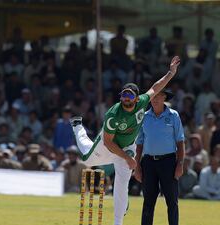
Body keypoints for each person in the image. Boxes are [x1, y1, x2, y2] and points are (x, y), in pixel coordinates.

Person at [70, 56, 180, 225]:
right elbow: (108, 142)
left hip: (127, 146)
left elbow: (156, 87)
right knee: (87, 160)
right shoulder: (113, 114)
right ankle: (78, 127)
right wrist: (129, 158)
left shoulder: (142, 102)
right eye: (124, 95)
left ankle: (118, 222)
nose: (126, 98)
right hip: (108, 145)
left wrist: (171, 73)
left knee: (122, 182)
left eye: (129, 95)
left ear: (137, 98)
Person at [134, 89, 185, 225]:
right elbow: (139, 144)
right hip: (149, 162)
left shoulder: (173, 115)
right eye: (153, 96)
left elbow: (180, 142)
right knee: (148, 202)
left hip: (168, 162)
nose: (155, 99)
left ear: (164, 98)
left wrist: (180, 164)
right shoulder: (144, 117)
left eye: (159, 96)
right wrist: (137, 166)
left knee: (172, 201)